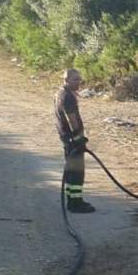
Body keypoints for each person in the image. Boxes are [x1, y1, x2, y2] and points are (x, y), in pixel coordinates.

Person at [54, 69, 95, 213]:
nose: (79, 82)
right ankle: (75, 203)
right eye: (75, 79)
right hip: (72, 139)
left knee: (71, 172)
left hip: (67, 138)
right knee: (77, 173)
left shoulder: (60, 93)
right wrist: (79, 139)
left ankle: (72, 200)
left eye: (79, 79)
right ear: (66, 80)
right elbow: (72, 119)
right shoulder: (67, 96)